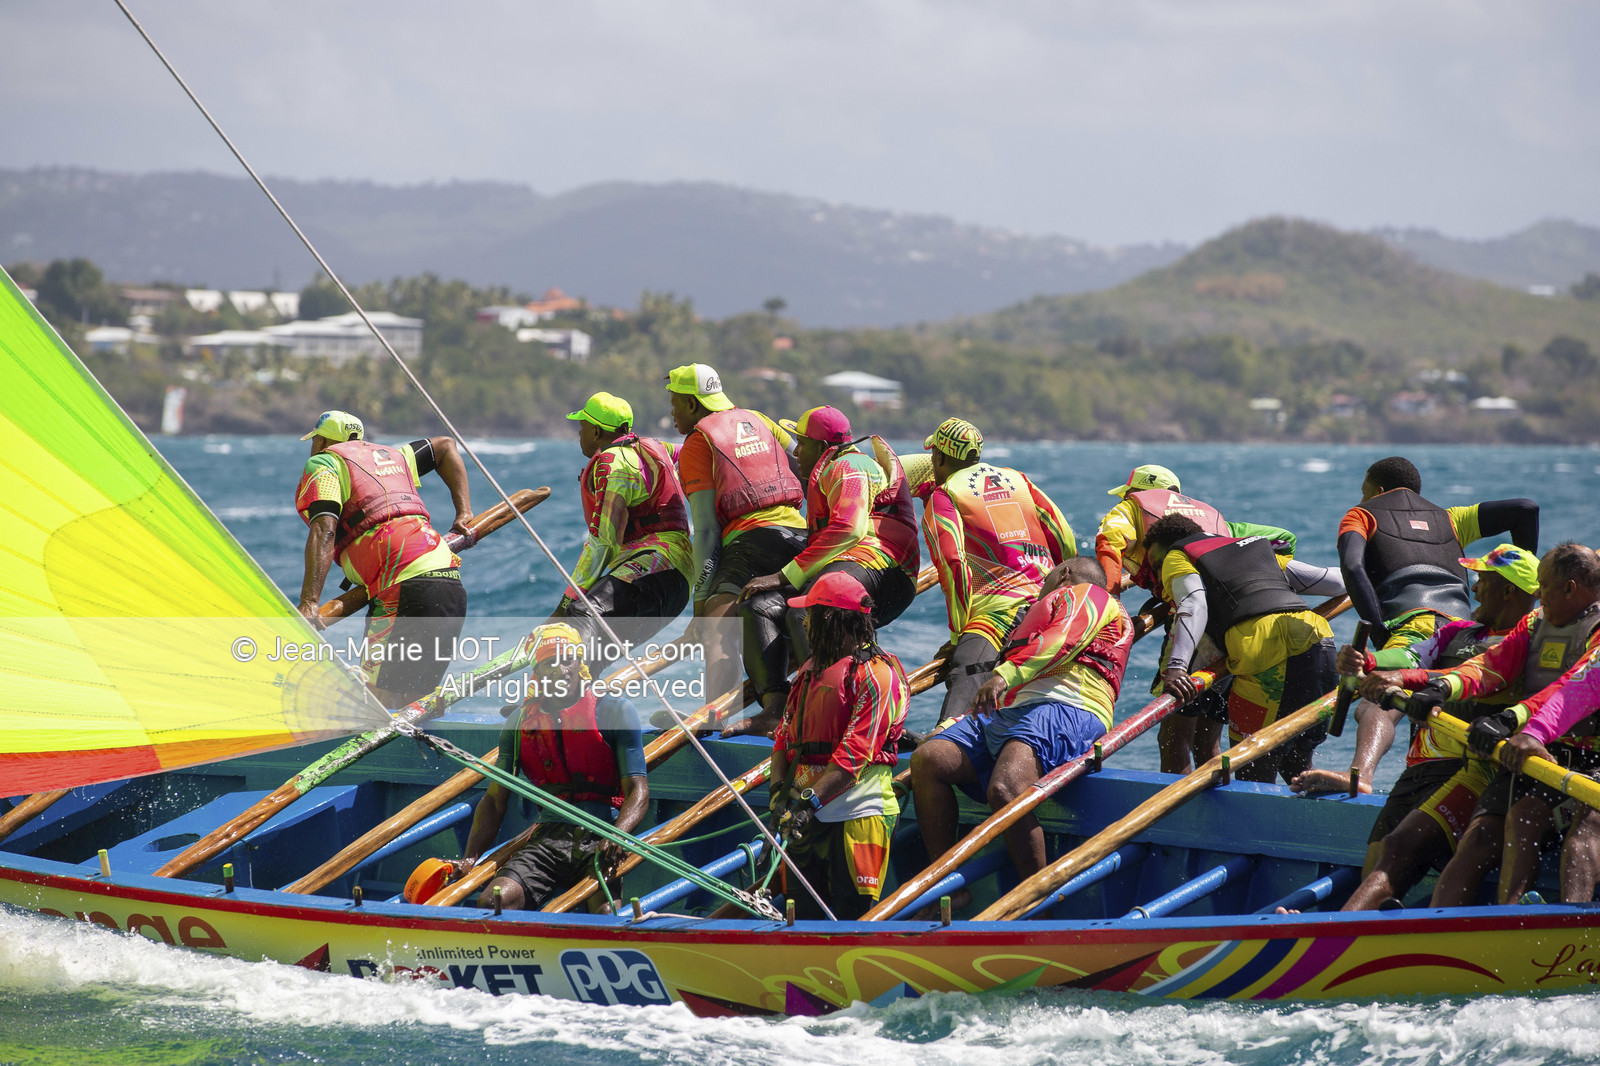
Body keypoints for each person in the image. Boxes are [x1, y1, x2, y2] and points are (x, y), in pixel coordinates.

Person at [1321, 545, 1538, 909]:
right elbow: (1409, 656)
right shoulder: (1457, 632)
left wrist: (1403, 678)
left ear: (1509, 591)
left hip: (1469, 767)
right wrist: (1368, 661)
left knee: (1400, 848)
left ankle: (1350, 930)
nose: (1473, 589)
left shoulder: (1521, 644)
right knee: (1378, 857)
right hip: (1421, 767)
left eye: (1482, 581)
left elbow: (1463, 676)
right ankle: (1371, 930)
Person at [911, 557, 1133, 909]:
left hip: (1068, 706)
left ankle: (1036, 902)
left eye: (1046, 579)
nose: (1040, 588)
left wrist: (1003, 676)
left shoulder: (1087, 593)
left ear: (1064, 574)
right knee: (929, 759)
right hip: (1014, 710)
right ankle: (947, 885)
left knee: (1005, 788)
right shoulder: (1049, 605)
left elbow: (1062, 639)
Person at [1390, 543, 1600, 907]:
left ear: (1569, 589)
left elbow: (1575, 688)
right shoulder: (1535, 623)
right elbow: (1489, 666)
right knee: (1512, 822)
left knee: (1586, 831)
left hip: (1591, 759)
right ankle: (1502, 923)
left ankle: (1570, 929)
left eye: (1543, 585)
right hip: (1546, 754)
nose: (1536, 595)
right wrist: (1439, 686)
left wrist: (1515, 721)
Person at [1331, 456, 1539, 818]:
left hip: (1413, 626)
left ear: (1378, 490)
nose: (1362, 499)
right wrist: (1523, 580)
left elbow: (1351, 565)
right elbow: (1525, 509)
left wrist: (1378, 628)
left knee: (1378, 699)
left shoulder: (1361, 515)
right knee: (1431, 704)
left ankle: (1360, 776)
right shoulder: (1450, 517)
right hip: (1465, 630)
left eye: (1364, 493)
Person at [1096, 464, 1297, 774]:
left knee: (1173, 737)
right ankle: (1216, 808)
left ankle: (1177, 810)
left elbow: (1109, 544)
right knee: (1206, 739)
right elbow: (1283, 538)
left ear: (1136, 492)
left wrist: (1110, 604)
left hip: (1194, 631)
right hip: (1232, 628)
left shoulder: (1132, 507)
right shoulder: (1208, 517)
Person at [734, 406, 920, 737]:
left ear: (822, 447)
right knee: (758, 607)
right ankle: (776, 710)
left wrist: (782, 576)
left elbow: (849, 529)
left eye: (801, 443)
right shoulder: (834, 466)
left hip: (885, 570)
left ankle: (838, 710)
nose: (796, 451)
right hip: (848, 566)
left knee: (813, 609)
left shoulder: (849, 465)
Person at [461, 623, 650, 911]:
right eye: (550, 662)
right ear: (536, 673)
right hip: (547, 839)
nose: (560, 670)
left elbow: (638, 788)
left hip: (602, 835)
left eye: (568, 660)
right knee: (492, 902)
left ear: (579, 664)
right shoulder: (519, 723)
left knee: (604, 912)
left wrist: (619, 833)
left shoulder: (614, 710)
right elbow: (495, 800)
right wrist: (470, 858)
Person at [1144, 515, 1344, 784]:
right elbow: (1336, 582)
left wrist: (1177, 668)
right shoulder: (1253, 547)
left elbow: (1193, 603)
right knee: (1296, 766)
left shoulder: (1178, 555)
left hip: (1265, 661)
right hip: (1320, 645)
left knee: (1253, 771)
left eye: (1157, 566)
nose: (1158, 576)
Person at [293, 410, 471, 706]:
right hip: (447, 580)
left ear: (322, 440)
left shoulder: (325, 462)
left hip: (403, 589)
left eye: (314, 441)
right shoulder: (392, 456)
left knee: (374, 704)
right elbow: (444, 446)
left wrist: (310, 601)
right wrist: (463, 512)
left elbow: (325, 527)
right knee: (412, 704)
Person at [916, 417, 1077, 729]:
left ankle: (942, 756)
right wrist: (1063, 589)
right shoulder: (1018, 479)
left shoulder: (944, 496)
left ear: (939, 457)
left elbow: (954, 566)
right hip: (1049, 601)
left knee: (964, 682)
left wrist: (958, 633)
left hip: (997, 613)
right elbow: (1063, 535)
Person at [770, 571, 910, 920]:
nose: (804, 625)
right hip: (802, 817)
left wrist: (809, 802)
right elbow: (783, 739)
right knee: (800, 918)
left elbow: (855, 754)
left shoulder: (877, 674)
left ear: (829, 618)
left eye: (810, 615)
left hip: (857, 814)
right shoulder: (809, 670)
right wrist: (777, 794)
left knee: (850, 916)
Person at [666, 363, 805, 702]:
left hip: (750, 541)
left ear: (694, 404)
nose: (671, 412)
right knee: (779, 620)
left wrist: (700, 606)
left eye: (675, 402)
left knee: (717, 628)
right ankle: (785, 712)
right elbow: (805, 460)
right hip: (800, 538)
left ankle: (712, 722)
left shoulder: (698, 444)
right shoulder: (760, 419)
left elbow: (708, 531)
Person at [553, 392, 692, 667]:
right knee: (593, 654)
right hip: (677, 581)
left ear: (595, 431)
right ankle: (555, 706)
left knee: (581, 613)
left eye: (581, 427)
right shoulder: (655, 446)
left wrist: (565, 603)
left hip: (656, 571)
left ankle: (556, 699)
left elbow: (603, 542)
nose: (579, 433)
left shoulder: (611, 464)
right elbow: (692, 453)